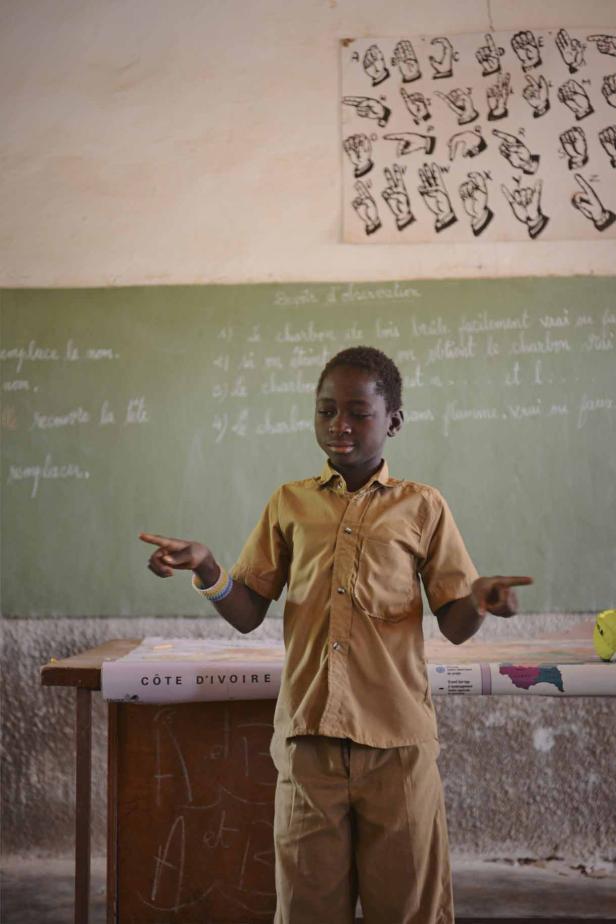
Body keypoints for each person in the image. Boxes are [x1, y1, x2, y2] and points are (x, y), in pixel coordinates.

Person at [141, 346, 532, 924]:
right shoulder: (290, 503)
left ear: (393, 421)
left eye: (357, 411)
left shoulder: (422, 508)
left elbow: (453, 624)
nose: (338, 425)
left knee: (408, 910)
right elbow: (249, 612)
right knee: (307, 909)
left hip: (396, 745)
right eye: (325, 411)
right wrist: (208, 569)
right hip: (308, 744)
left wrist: (477, 600)